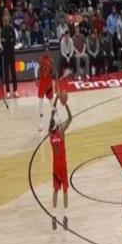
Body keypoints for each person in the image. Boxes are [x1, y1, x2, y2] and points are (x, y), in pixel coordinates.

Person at [49, 95, 72, 230]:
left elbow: (52, 115)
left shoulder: (50, 134)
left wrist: (57, 100)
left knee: (55, 190)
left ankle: (53, 215)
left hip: (55, 166)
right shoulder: (61, 132)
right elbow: (70, 118)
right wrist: (66, 105)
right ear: (57, 125)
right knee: (65, 190)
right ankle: (65, 216)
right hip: (63, 165)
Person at [37, 39, 56, 132]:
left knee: (52, 104)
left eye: (48, 49)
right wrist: (37, 80)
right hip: (42, 84)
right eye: (45, 49)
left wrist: (56, 84)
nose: (47, 51)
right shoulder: (40, 59)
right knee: (40, 105)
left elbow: (53, 73)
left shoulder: (51, 60)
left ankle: (56, 119)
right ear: (44, 50)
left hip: (48, 84)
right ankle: (41, 123)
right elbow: (39, 70)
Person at [0, 15, 18, 98]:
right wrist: (8, 40)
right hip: (5, 53)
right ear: (4, 21)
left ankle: (15, 90)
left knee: (13, 72)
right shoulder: (2, 30)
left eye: (8, 20)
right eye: (5, 20)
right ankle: (7, 91)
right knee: (6, 73)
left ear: (9, 21)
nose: (6, 22)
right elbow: (2, 41)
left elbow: (14, 41)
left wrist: (8, 41)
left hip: (11, 53)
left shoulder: (12, 29)